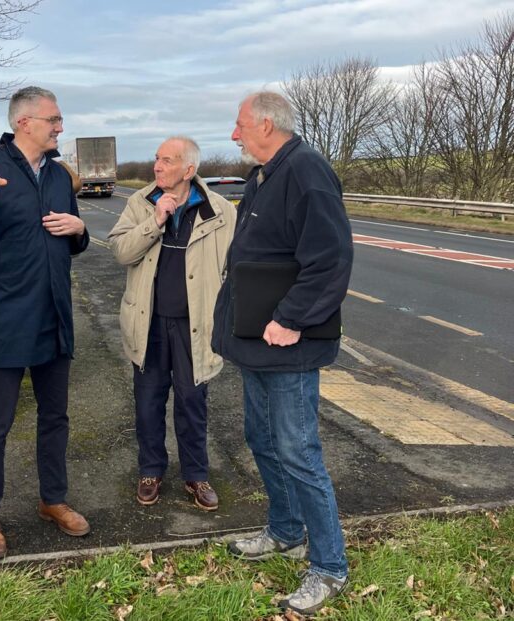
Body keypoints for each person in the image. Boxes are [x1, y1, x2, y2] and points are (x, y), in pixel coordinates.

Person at [211, 92, 353, 616]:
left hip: (286, 343)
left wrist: (292, 318)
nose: (234, 134)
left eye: (240, 124)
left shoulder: (307, 171)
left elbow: (331, 258)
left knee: (298, 451)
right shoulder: (268, 174)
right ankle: (287, 531)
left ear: (266, 125)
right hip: (257, 340)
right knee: (262, 437)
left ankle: (329, 565)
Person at [0, 86, 90, 559]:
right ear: (25, 122)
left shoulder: (59, 175)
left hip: (54, 315)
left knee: (56, 418)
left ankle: (53, 499)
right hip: (5, 319)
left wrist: (81, 230)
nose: (61, 127)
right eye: (54, 119)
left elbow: (73, 239)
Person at [108, 136, 236, 511]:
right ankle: (150, 471)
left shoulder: (221, 211)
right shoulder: (140, 202)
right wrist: (155, 220)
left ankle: (196, 476)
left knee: (192, 403)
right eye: (156, 159)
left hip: (195, 328)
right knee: (147, 403)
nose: (157, 166)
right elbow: (120, 251)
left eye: (167, 160)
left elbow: (236, 265)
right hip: (148, 323)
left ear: (189, 170)